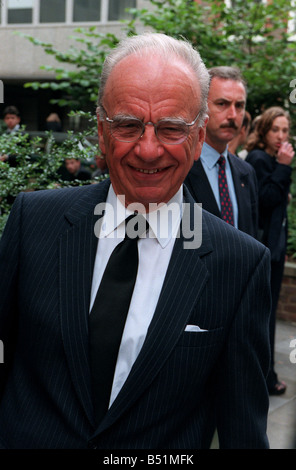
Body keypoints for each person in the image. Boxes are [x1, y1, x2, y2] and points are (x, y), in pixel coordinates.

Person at [0, 33, 271, 449]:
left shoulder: (238, 263)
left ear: (199, 138)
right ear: (102, 132)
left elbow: (243, 432)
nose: (148, 150)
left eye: (171, 129)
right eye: (128, 125)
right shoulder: (33, 222)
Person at [245, 106, 295, 396]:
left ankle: (265, 373)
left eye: (285, 130)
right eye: (275, 129)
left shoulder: (271, 161)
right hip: (263, 251)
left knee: (268, 315)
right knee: (264, 316)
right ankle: (265, 376)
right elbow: (264, 201)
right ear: (263, 131)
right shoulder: (260, 159)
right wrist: (284, 167)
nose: (281, 135)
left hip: (274, 252)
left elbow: (279, 213)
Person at [185, 67, 258, 238]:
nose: (233, 115)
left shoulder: (246, 172)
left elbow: (252, 238)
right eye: (222, 104)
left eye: (239, 106)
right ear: (201, 107)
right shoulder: (180, 167)